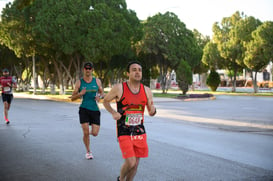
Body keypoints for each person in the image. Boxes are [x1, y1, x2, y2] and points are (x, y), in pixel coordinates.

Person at [103, 61, 156, 181]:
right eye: (134, 70)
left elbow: (151, 111)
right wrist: (113, 112)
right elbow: (105, 101)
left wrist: (153, 110)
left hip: (139, 131)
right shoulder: (119, 88)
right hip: (124, 130)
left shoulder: (147, 90)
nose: (137, 72)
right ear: (128, 73)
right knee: (131, 162)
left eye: (139, 70)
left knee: (136, 164)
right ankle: (121, 179)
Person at [70, 62, 104, 159]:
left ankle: (87, 135)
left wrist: (99, 97)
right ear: (83, 70)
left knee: (95, 133)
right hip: (84, 108)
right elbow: (72, 98)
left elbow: (102, 93)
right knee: (85, 132)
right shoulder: (79, 82)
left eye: (89, 68)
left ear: (92, 70)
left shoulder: (97, 81)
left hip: (94, 109)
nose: (88, 70)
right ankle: (88, 151)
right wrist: (80, 94)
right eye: (86, 68)